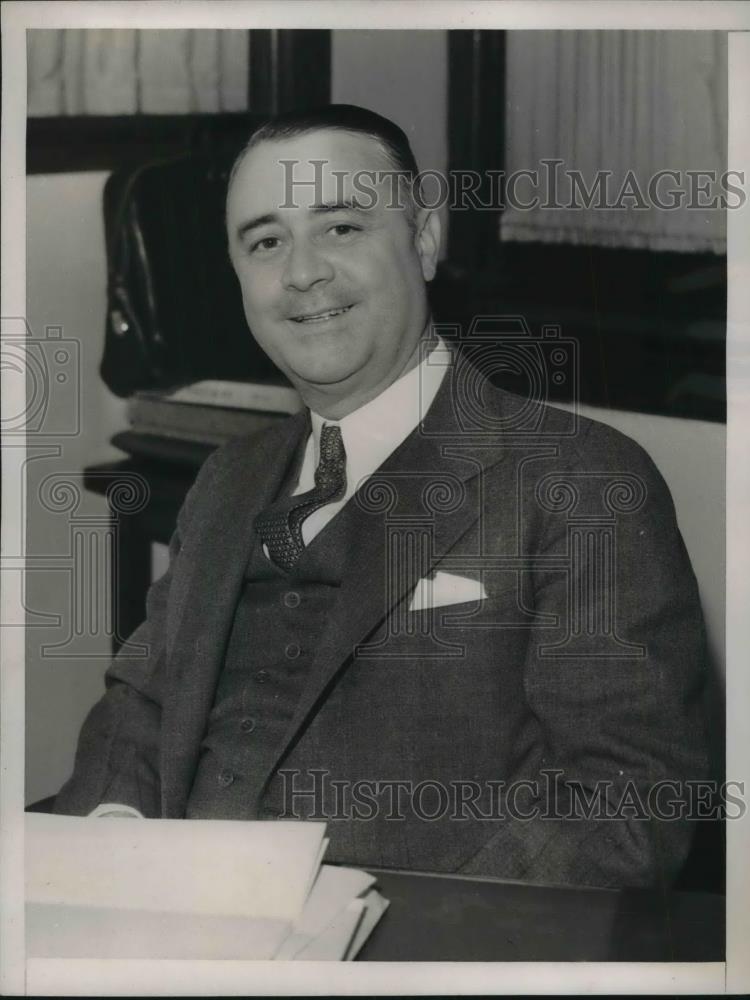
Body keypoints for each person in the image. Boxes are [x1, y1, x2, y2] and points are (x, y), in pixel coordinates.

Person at [55, 104, 710, 888]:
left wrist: (392, 942)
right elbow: (140, 704)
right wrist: (112, 851)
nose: (301, 273)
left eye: (340, 228)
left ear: (426, 238)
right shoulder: (228, 478)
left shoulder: (582, 482)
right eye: (266, 242)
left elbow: (627, 809)